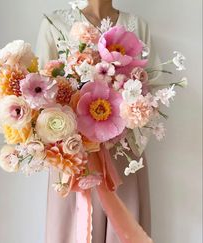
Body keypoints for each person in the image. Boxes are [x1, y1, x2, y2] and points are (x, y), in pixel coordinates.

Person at [36, 0, 160, 242]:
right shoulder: (54, 24)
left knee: (124, 231)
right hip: (73, 158)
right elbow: (40, 94)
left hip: (123, 156)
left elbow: (152, 90)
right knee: (72, 232)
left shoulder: (136, 26)